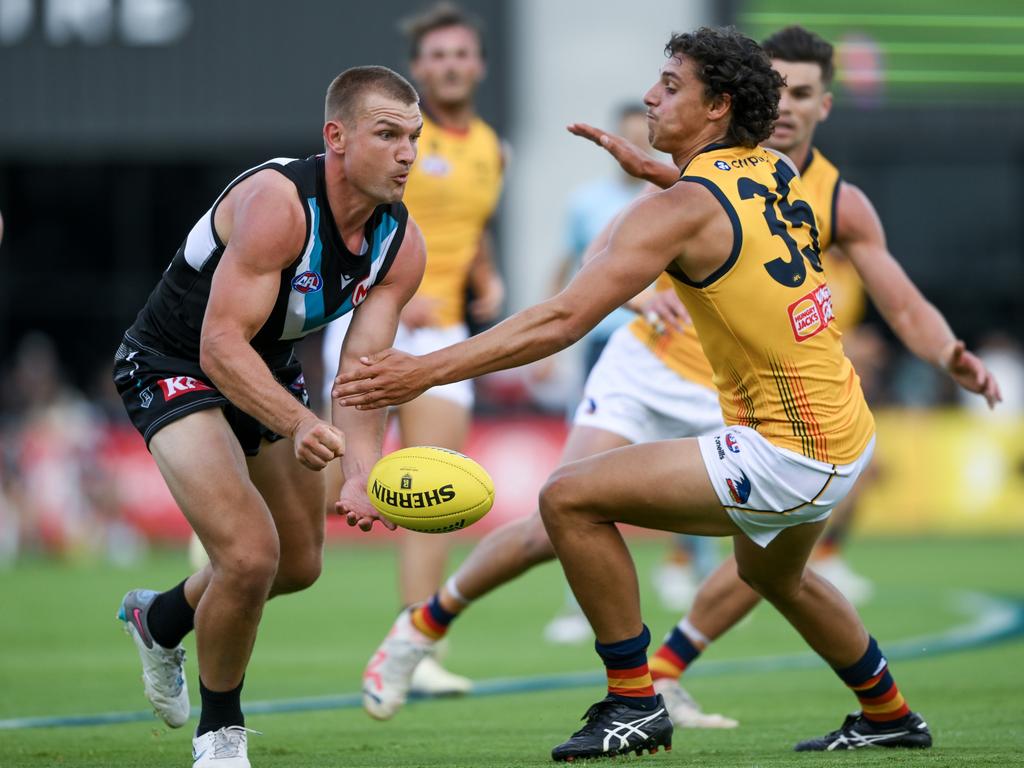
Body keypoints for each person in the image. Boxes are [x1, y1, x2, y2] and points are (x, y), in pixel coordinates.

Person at [335, 27, 1001, 759]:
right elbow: (720, 208)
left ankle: (632, 703)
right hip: (842, 430)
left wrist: (423, 370)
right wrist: (661, 172)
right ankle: (889, 713)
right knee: (776, 577)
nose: (652, 95)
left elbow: (561, 318)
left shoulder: (682, 210)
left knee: (567, 499)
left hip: (787, 451)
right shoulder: (775, 169)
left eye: (672, 85)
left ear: (717, 107)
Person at [113, 66, 425, 768]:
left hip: (268, 372)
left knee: (300, 564)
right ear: (335, 137)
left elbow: (364, 371)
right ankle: (220, 735)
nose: (407, 152)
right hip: (173, 363)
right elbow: (219, 346)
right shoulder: (278, 203)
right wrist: (303, 424)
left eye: (414, 137)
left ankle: (158, 619)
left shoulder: (403, 244)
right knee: (249, 556)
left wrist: (361, 470)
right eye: (388, 135)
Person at [320, 2, 504, 698]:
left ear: (478, 66)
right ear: (419, 70)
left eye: (462, 54)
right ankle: (224, 545)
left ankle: (413, 648)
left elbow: (471, 226)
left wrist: (485, 275)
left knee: (436, 489)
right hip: (372, 312)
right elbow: (354, 216)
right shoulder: (395, 145)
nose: (451, 64)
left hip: (446, 333)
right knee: (332, 487)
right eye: (438, 56)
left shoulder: (491, 147)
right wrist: (393, 287)